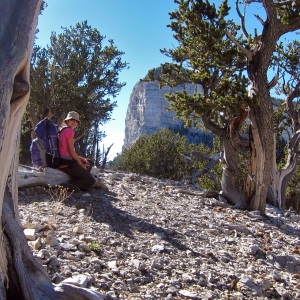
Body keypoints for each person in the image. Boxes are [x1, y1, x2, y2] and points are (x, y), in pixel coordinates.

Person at [58, 111, 96, 192]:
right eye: (72, 120)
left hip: (63, 161)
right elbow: (72, 152)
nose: (74, 122)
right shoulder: (69, 131)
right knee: (91, 181)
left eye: (76, 121)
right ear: (67, 121)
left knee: (88, 162)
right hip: (66, 164)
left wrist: (80, 159)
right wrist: (80, 164)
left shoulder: (62, 130)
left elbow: (66, 151)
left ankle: (82, 183)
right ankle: (69, 185)